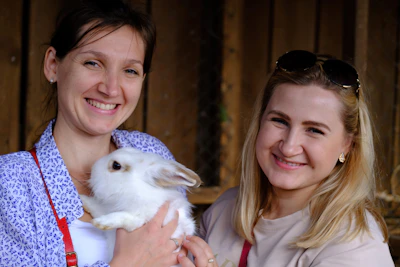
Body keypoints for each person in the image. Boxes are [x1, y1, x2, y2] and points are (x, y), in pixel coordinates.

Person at [0, 1, 213, 266]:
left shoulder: (151, 153)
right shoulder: (10, 182)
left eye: (130, 71)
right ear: (53, 64)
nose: (111, 89)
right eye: (93, 63)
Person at [199, 50, 395, 266]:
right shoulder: (224, 209)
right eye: (280, 121)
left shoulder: (355, 245)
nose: (289, 147)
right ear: (259, 122)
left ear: (347, 144)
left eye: (314, 130)